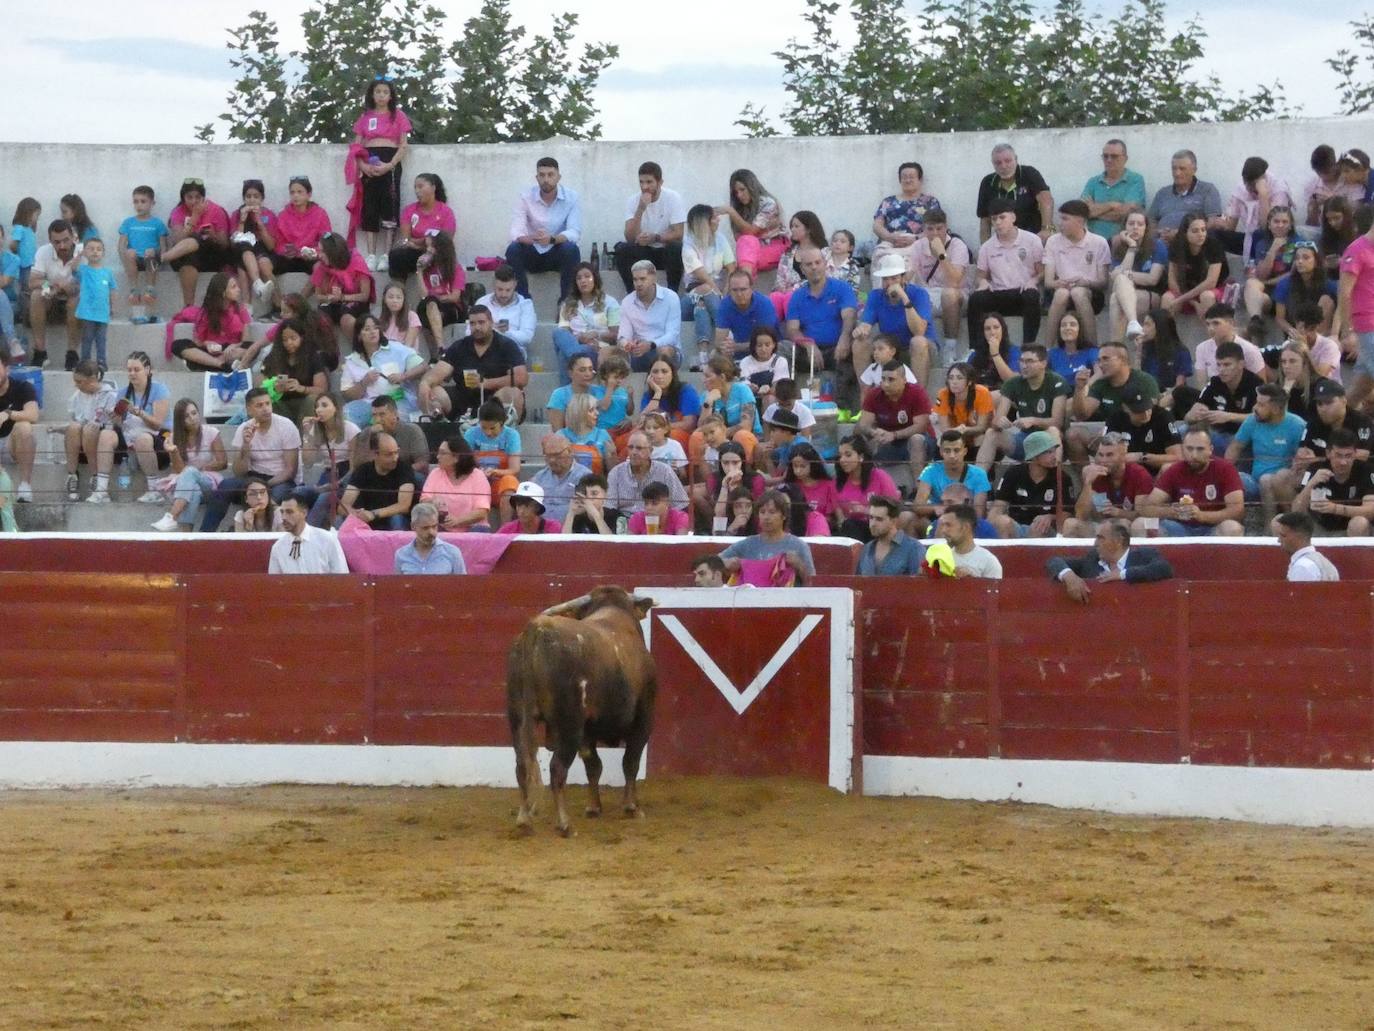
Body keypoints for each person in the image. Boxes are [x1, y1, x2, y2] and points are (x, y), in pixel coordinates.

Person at [199, 387, 302, 531]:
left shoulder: (286, 426)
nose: (265, 409)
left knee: (271, 497)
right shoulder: (244, 429)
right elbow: (238, 471)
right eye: (259, 405)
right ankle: (205, 536)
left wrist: (263, 486)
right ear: (249, 410)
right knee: (225, 486)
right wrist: (246, 445)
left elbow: (291, 470)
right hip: (254, 477)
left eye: (267, 404)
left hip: (281, 480)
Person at [419, 305, 528, 422]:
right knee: (435, 392)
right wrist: (425, 383)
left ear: (491, 322)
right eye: (472, 323)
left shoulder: (507, 345)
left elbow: (521, 378)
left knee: (513, 393)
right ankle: (439, 426)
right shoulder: (459, 346)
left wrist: (486, 383)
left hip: (495, 397)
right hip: (463, 397)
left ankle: (504, 432)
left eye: (481, 322)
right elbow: (437, 373)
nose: (477, 327)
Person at [1134, 427, 1245, 537]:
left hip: (1213, 527)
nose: (1194, 455)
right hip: (1178, 528)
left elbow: (1237, 511)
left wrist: (1201, 516)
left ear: (1211, 449)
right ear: (1183, 449)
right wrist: (1172, 512)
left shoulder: (1225, 469)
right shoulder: (1175, 469)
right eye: (1189, 449)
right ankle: (1150, 555)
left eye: (1200, 449)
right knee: (1140, 524)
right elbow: (1146, 508)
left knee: (1232, 527)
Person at [967, 199, 1044, 359]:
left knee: (1032, 295)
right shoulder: (987, 246)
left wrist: (1033, 281)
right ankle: (974, 349)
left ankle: (1028, 347)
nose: (998, 223)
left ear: (1013, 217)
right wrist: (983, 282)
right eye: (994, 219)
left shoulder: (1032, 240)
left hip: (1022, 292)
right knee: (975, 299)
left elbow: (1042, 271)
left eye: (1002, 217)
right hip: (999, 293)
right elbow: (980, 275)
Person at [351, 76, 411, 270]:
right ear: (372, 94)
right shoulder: (365, 117)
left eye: (385, 92)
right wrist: (362, 165)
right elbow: (356, 145)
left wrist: (390, 164)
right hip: (370, 161)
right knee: (370, 206)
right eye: (378, 92)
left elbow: (403, 145)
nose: (381, 96)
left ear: (391, 95)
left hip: (389, 161)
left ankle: (386, 254)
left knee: (390, 205)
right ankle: (370, 254)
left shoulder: (398, 116)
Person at [506, 156, 582, 303]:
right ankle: (523, 301)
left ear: (558, 177)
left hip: (556, 251)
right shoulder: (525, 197)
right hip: (532, 251)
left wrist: (552, 239)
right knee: (513, 249)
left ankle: (567, 303)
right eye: (542, 175)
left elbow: (574, 232)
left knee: (571, 249)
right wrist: (534, 238)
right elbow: (516, 232)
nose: (546, 179)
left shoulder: (572, 197)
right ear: (536, 177)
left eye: (550, 175)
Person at [976, 344, 1066, 469]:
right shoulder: (1013, 383)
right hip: (1025, 440)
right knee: (992, 434)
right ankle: (976, 482)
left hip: (1049, 440)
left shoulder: (1056, 382)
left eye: (1029, 361)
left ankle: (1058, 481)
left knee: (1053, 431)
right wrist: (999, 423)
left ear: (1043, 363)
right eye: (1022, 361)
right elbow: (996, 421)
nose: (1024, 366)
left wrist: (1033, 420)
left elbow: (1057, 422)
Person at [1226, 383, 1306, 521]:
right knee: (1240, 479)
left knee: (1268, 480)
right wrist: (1226, 472)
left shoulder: (1297, 425)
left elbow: (1301, 461)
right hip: (1254, 482)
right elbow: (1235, 447)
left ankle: (1275, 524)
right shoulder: (1252, 420)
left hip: (1285, 480)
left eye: (1261, 405)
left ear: (1275, 409)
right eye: (1257, 403)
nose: (1255, 408)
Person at [1068, 342, 1159, 462]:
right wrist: (1079, 388)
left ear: (1123, 360)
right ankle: (1089, 477)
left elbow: (1148, 415)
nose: (1100, 365)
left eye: (1105, 359)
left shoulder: (1144, 380)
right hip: (1109, 433)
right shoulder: (1100, 384)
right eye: (1099, 360)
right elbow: (1082, 414)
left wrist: (1113, 434)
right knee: (1073, 435)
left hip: (1140, 434)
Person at [1047, 520, 1173, 603]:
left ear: (1119, 541)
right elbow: (1054, 561)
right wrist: (1069, 576)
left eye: (1101, 538)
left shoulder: (1143, 555)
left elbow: (1164, 568)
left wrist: (1122, 574)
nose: (1095, 543)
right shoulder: (1092, 559)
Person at [855, 253, 933, 385]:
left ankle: (919, 398)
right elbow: (866, 325)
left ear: (903, 278)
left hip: (919, 348)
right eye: (885, 279)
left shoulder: (919, 294)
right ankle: (866, 396)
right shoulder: (876, 296)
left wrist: (904, 299)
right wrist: (861, 330)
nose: (889, 283)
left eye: (894, 278)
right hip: (890, 349)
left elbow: (919, 331)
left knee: (918, 342)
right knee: (859, 343)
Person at [151, 398, 228, 531]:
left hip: (209, 482)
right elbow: (179, 470)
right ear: (180, 420)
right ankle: (186, 537)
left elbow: (223, 463)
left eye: (194, 413)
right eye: (186, 416)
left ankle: (172, 517)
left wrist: (199, 470)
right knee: (194, 491)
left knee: (191, 472)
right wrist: (174, 451)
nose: (192, 418)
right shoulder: (175, 437)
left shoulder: (211, 432)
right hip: (188, 485)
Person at [785, 246, 859, 384]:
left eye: (817, 262)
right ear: (802, 269)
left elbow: (849, 316)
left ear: (825, 264)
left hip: (837, 349)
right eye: (809, 264)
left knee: (856, 348)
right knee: (782, 348)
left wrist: (845, 338)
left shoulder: (842, 288)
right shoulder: (797, 296)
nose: (814, 267)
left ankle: (842, 404)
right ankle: (786, 399)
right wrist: (808, 344)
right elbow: (792, 329)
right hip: (808, 353)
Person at [1043, 199, 1111, 347]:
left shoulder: (1099, 242)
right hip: (1060, 291)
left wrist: (1085, 282)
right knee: (1062, 293)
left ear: (1080, 221)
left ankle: (1093, 347)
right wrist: (1058, 283)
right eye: (1060, 218)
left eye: (1065, 219)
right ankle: (1047, 349)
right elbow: (1048, 282)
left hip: (1091, 293)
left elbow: (1103, 282)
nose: (1060, 223)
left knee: (1078, 292)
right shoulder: (1053, 241)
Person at [1063, 431, 1155, 537]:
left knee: (1122, 524)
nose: (1103, 460)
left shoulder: (1139, 474)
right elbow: (1080, 515)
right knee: (1070, 524)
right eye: (1101, 455)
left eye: (1109, 455)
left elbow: (1143, 514)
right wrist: (1088, 484)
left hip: (1130, 526)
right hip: (1104, 525)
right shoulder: (1097, 474)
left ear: (1123, 455)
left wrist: (1118, 513)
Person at [908, 210, 971, 361]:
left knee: (948, 293)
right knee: (910, 298)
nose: (935, 233)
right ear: (924, 230)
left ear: (946, 227)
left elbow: (955, 281)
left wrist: (941, 254)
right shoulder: (918, 246)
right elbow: (910, 273)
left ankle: (950, 348)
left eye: (939, 228)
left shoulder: (958, 245)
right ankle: (923, 350)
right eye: (930, 229)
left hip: (957, 295)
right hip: (929, 293)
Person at [340, 314, 425, 425]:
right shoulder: (352, 361)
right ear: (359, 335)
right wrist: (364, 383)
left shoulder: (395, 348)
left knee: (385, 419)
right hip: (368, 404)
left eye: (376, 328)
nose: (373, 332)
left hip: (396, 400)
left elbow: (423, 366)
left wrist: (403, 376)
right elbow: (347, 394)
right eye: (367, 329)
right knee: (343, 417)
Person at [679, 204, 736, 368]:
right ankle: (728, 335)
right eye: (713, 218)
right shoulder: (689, 244)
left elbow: (731, 267)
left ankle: (703, 356)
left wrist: (726, 289)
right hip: (692, 293)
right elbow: (700, 274)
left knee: (702, 307)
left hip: (715, 293)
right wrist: (719, 295)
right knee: (705, 289)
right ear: (703, 222)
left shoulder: (720, 239)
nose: (718, 220)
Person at [616, 161, 686, 293]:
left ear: (660, 182)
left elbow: (679, 233)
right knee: (623, 249)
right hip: (644, 252)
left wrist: (656, 237)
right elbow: (629, 237)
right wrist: (641, 209)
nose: (644, 187)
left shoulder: (673, 198)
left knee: (676, 247)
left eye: (649, 182)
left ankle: (673, 292)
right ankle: (632, 293)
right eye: (641, 182)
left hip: (665, 250)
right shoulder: (633, 200)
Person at [717, 489, 815, 584]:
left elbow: (812, 582)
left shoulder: (799, 546)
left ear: (784, 516)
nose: (766, 517)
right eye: (762, 512)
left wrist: (799, 565)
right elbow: (713, 563)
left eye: (772, 512)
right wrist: (727, 563)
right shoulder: (748, 544)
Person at [990, 430, 1074, 539]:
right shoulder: (1013, 473)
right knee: (1002, 521)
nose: (1054, 456)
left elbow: (1067, 514)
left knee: (1038, 527)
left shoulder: (1062, 477)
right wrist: (995, 521)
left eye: (1054, 451)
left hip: (1046, 530)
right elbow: (997, 508)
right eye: (1048, 452)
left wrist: (1050, 517)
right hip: (1017, 527)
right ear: (1034, 456)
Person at [857, 360, 931, 483]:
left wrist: (894, 435)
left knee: (916, 440)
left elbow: (921, 426)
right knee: (864, 439)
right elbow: (864, 424)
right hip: (888, 441)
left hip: (919, 442)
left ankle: (919, 489)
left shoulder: (917, 393)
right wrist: (874, 432)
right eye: (883, 379)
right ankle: (872, 486)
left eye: (891, 380)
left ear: (904, 380)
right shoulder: (874, 394)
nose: (885, 384)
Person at [161, 179, 231, 308]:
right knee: (189, 258)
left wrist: (213, 236)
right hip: (185, 256)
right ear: (183, 198)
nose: (193, 201)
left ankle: (162, 258)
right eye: (189, 197)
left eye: (197, 197)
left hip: (211, 256)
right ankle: (189, 307)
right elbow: (177, 240)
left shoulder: (216, 210)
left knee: (198, 238)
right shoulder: (178, 212)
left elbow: (225, 244)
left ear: (203, 197)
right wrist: (194, 217)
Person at [1293, 428, 1374, 536]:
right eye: (1338, 455)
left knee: (1359, 523)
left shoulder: (1366, 470)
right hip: (1320, 527)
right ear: (1328, 453)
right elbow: (1296, 510)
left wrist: (1334, 508)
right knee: (1278, 521)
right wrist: (1310, 484)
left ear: (1355, 454)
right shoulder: (1315, 469)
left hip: (1351, 528)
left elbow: (1370, 511)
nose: (1343, 462)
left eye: (1348, 456)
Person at [1332, 203, 1374, 409]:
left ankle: (1336, 423)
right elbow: (1345, 291)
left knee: (1361, 388)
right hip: (1367, 324)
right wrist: (1348, 331)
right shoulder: (1357, 249)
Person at [266, 176, 332, 306]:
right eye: (292, 192)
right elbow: (277, 243)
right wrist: (285, 250)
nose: (295, 196)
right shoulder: (283, 215)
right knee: (264, 263)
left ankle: (298, 303)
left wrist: (314, 252)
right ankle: (279, 303)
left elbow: (327, 241)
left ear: (309, 194)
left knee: (320, 266)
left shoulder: (320, 214)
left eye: (300, 192)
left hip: (309, 257)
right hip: (288, 257)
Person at [172, 273, 257, 372]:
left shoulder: (241, 310)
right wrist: (207, 344)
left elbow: (246, 341)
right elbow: (198, 342)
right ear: (223, 292)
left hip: (232, 351)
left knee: (253, 347)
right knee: (178, 345)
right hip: (211, 351)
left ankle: (205, 365)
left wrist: (234, 345)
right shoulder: (206, 312)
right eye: (234, 287)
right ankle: (220, 365)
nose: (238, 289)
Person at [1188, 340, 1263, 451]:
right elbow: (1189, 417)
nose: (1222, 370)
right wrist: (1194, 415)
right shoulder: (1215, 382)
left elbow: (1261, 417)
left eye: (1227, 364)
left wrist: (1228, 416)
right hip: (1217, 433)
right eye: (1218, 364)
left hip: (1244, 436)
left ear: (1241, 364)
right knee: (1183, 431)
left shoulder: (1256, 384)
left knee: (1213, 441)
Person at [553, 262, 620, 383]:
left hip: (597, 350)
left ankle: (564, 396)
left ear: (595, 278)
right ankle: (576, 356)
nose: (583, 281)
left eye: (587, 276)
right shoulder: (567, 304)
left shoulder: (610, 302)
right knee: (558, 332)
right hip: (577, 345)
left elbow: (616, 335)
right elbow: (565, 334)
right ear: (575, 282)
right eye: (579, 278)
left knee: (564, 355)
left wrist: (596, 334)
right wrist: (580, 339)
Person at [27, 219, 81, 369]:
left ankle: (72, 353)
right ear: (50, 241)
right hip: (51, 293)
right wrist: (50, 285)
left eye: (65, 240)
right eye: (56, 242)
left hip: (75, 295)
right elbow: (32, 282)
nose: (62, 246)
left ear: (73, 237)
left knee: (75, 299)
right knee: (37, 295)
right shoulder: (44, 251)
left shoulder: (83, 252)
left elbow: (88, 284)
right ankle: (40, 351)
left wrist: (69, 287)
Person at [62, 360, 118, 503]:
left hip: (101, 435)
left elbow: (110, 421)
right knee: (73, 427)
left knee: (90, 429)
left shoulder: (110, 394)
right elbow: (76, 419)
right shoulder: (77, 396)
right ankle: (72, 476)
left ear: (92, 379)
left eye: (80, 382)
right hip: (83, 435)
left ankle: (95, 476)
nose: (77, 385)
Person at [1107, 211, 1168, 342]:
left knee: (1118, 290)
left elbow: (1152, 279)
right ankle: (1132, 324)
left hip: (1152, 295)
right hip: (1127, 293)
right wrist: (1132, 247)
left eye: (1140, 224)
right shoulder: (1119, 247)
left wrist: (1127, 274)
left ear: (1146, 228)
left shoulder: (1157, 245)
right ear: (1125, 227)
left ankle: (1115, 345)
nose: (1135, 227)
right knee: (1115, 298)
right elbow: (1115, 276)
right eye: (1131, 224)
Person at [1242, 204, 1298, 344]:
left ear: (1291, 225)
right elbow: (1261, 276)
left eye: (1284, 222)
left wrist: (1267, 283)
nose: (1280, 225)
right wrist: (1273, 249)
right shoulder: (1262, 243)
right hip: (1267, 296)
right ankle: (1256, 321)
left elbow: (1293, 274)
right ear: (1269, 224)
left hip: (1287, 294)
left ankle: (1256, 330)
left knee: (1255, 286)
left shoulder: (1298, 243)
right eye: (1276, 221)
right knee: (1251, 283)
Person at [871, 162, 943, 273]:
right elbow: (877, 225)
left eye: (911, 177)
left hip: (918, 242)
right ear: (900, 180)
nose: (907, 180)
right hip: (891, 242)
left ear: (920, 179)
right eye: (904, 177)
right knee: (883, 261)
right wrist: (890, 237)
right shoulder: (888, 201)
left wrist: (916, 239)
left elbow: (937, 228)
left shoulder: (930, 202)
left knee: (911, 265)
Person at [338, 431, 415, 530]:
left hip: (391, 518)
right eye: (389, 454)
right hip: (366, 519)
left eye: (396, 452)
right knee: (341, 519)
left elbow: (404, 506)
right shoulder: (362, 470)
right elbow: (343, 506)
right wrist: (356, 514)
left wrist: (373, 514)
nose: (395, 458)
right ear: (374, 454)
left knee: (397, 518)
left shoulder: (404, 469)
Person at [307, 232, 375, 345]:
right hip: (333, 302)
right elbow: (318, 296)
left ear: (332, 252)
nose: (319, 254)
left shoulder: (357, 261)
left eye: (322, 251)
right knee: (320, 319)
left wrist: (342, 297)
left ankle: (361, 349)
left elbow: (364, 295)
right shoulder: (322, 266)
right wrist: (330, 298)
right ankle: (329, 352)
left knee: (346, 320)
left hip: (355, 301)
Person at [387, 173, 457, 282]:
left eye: (420, 186)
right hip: (415, 252)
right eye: (415, 187)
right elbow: (406, 239)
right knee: (396, 255)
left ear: (433, 188)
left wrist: (420, 243)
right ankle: (398, 290)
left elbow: (445, 242)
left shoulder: (446, 212)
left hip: (437, 254)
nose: (417, 191)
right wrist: (425, 241)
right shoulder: (409, 210)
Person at [976, 143, 1053, 241]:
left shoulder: (1029, 173)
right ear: (993, 164)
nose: (1003, 166)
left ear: (1016, 159)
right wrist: (984, 246)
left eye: (1008, 161)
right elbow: (985, 218)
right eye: (998, 163)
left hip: (1034, 234)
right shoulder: (987, 182)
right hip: (1003, 238)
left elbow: (1046, 200)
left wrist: (1046, 229)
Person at [717, 169, 786, 277]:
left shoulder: (768, 203)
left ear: (752, 187)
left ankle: (743, 283)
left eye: (742, 189)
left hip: (774, 248)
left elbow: (751, 232)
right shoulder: (739, 207)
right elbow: (738, 238)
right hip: (751, 253)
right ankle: (745, 284)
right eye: (736, 192)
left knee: (747, 242)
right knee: (746, 246)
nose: (739, 195)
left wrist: (731, 212)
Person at [1217, 157, 1292, 256]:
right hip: (1250, 239)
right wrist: (1219, 223)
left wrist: (1263, 195)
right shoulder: (1241, 189)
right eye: (1246, 184)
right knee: (1212, 235)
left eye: (1252, 185)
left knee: (1259, 235)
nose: (1249, 189)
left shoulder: (1279, 190)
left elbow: (1267, 228)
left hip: (1274, 240)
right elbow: (1231, 227)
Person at [259, 317, 328, 427]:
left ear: (302, 337)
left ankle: (305, 438)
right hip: (282, 404)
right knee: (267, 403)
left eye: (293, 338)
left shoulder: (313, 357)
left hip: (304, 402)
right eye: (285, 340)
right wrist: (274, 389)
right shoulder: (273, 358)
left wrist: (301, 388)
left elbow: (321, 390)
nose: (289, 343)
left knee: (312, 399)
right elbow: (260, 386)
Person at [464, 398, 522, 524]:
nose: (488, 432)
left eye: (492, 428)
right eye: (483, 427)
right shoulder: (470, 434)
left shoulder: (511, 435)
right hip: (476, 481)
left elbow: (515, 469)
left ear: (502, 423)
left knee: (510, 481)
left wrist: (495, 472)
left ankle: (505, 528)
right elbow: (463, 462)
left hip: (498, 482)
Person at [618, 259, 682, 371]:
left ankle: (664, 384)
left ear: (654, 278)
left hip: (666, 350)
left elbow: (673, 335)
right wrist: (627, 344)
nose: (638, 284)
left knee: (664, 351)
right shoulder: (627, 302)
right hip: (639, 352)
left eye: (642, 279)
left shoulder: (671, 297)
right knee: (611, 352)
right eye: (635, 280)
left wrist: (651, 344)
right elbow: (623, 335)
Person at [1145, 149, 1224, 239]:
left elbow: (1213, 223)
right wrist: (1159, 233)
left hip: (1191, 245)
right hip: (1162, 243)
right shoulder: (1162, 193)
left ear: (1194, 170)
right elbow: (1150, 221)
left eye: (1182, 169)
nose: (1177, 173)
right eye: (1174, 168)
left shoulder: (1207, 190)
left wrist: (1180, 234)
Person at [832, 435, 899, 540]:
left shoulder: (879, 476)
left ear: (861, 457)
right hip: (849, 532)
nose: (842, 460)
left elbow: (894, 509)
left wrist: (866, 510)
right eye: (840, 456)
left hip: (877, 529)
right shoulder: (837, 482)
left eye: (848, 455)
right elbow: (839, 518)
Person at [421, 433, 492, 531]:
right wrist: (432, 502)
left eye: (442, 453)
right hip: (442, 527)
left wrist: (458, 521)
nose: (437, 457)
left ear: (456, 458)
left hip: (473, 528)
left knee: (479, 530)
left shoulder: (478, 476)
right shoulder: (435, 473)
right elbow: (423, 502)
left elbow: (481, 512)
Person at [117, 185, 169, 319]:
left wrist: (156, 252)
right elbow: (121, 245)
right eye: (136, 201)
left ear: (152, 203)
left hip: (150, 259)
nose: (139, 205)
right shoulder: (128, 223)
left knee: (151, 256)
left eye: (143, 201)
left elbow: (164, 247)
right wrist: (126, 255)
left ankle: (150, 290)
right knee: (130, 253)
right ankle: (134, 290)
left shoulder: (158, 223)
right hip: (133, 260)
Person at [607, 431, 689, 515]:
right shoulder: (616, 473)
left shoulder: (665, 471)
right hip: (623, 522)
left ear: (650, 450)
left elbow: (681, 506)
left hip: (655, 522)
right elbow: (609, 508)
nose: (634, 452)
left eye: (639, 448)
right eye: (630, 448)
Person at [414, 230, 466, 360]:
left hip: (451, 307)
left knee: (429, 310)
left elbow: (455, 296)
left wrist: (436, 298)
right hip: (431, 306)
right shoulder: (428, 269)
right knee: (427, 306)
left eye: (432, 246)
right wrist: (419, 272)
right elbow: (424, 295)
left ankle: (436, 354)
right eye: (427, 247)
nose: (429, 250)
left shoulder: (455, 267)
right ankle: (440, 351)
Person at [1162, 213, 1228, 316]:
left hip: (1212, 290)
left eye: (1203, 230)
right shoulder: (1176, 245)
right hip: (1185, 291)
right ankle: (1166, 331)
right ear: (1185, 233)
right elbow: (1172, 282)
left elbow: (1211, 282)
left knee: (1206, 296)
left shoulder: (1214, 245)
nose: (1201, 234)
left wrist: (1182, 299)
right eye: (1195, 231)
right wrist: (1193, 303)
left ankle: (1211, 331)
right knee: (1167, 298)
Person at [1103, 389, 1182, 473]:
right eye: (1139, 411)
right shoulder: (1116, 419)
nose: (1146, 414)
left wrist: (1141, 457)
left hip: (1156, 472)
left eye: (1148, 408)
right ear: (1125, 408)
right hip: (1125, 472)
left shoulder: (1162, 416)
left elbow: (1177, 458)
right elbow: (1105, 453)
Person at [1081, 138, 1146, 239]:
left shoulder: (1135, 180)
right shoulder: (1093, 182)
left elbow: (1127, 214)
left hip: (1122, 241)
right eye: (1105, 156)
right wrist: (1112, 205)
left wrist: (1095, 211)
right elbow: (1082, 212)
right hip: (1092, 242)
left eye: (1114, 156)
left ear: (1125, 158)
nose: (1109, 160)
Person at [268, 492, 349, 573]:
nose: (283, 517)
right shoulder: (278, 547)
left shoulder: (327, 540)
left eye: (289, 512)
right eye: (282, 512)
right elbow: (274, 582)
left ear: (304, 513)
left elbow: (342, 576)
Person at [228, 179, 277, 306]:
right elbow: (234, 243)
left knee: (245, 266)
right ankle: (258, 286)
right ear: (244, 198)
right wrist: (242, 222)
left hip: (262, 251)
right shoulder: (237, 214)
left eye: (256, 196)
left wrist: (260, 224)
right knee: (244, 246)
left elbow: (271, 246)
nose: (252, 200)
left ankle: (247, 306)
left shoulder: (268, 215)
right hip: (240, 250)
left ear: (262, 198)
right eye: (248, 196)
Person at [1136, 308, 1194, 413]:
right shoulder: (1146, 349)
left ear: (1160, 326)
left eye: (1147, 325)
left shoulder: (1180, 351)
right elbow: (1136, 378)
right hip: (1149, 394)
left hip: (1169, 395)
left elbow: (1179, 385)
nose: (1143, 329)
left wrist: (1160, 396)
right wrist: (1139, 352)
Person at [1301, 378, 1374, 462]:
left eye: (1329, 402)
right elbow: (1302, 453)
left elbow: (1362, 455)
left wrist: (1319, 459)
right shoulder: (1314, 423)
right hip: (1320, 473)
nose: (1323, 408)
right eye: (1319, 403)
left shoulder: (1361, 421)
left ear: (1344, 401)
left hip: (1357, 472)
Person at [1274, 243, 1337, 338]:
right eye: (1297, 258)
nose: (1300, 261)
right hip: (1297, 328)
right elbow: (1279, 318)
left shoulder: (1327, 283)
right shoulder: (1285, 283)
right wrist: (1290, 330)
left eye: (1306, 258)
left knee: (1326, 300)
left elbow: (1344, 305)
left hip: (1321, 331)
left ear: (1316, 262)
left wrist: (1335, 332)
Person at [1192, 303, 1265, 382]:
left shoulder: (1249, 350)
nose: (1211, 328)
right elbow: (1202, 384)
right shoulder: (1202, 348)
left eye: (1216, 323)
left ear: (1231, 323)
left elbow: (1261, 385)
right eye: (1208, 324)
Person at [531, 433, 591, 526]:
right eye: (548, 456)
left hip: (572, 530)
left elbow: (586, 508)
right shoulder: (539, 477)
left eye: (556, 455)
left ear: (570, 451)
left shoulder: (584, 476)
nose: (552, 460)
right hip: (541, 531)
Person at [714, 269, 779, 356]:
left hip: (766, 352)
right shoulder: (725, 305)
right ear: (729, 290)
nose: (739, 294)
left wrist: (736, 347)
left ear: (751, 289)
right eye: (735, 290)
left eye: (743, 289)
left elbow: (765, 342)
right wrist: (725, 347)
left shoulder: (764, 304)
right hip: (738, 351)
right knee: (714, 354)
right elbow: (719, 341)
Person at [74, 238, 116, 371]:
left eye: (98, 249)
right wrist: (79, 255)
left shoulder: (107, 272)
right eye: (91, 249)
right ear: (85, 252)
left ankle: (101, 361)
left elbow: (113, 290)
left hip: (102, 311)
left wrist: (113, 306)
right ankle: (85, 361)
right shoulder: (83, 270)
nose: (95, 252)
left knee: (101, 339)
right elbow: (72, 267)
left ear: (103, 253)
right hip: (87, 312)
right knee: (87, 338)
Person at [476, 266, 536, 359]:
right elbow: (468, 332)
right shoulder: (482, 302)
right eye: (500, 289)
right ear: (493, 284)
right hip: (484, 349)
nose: (503, 294)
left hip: (511, 351)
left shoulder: (525, 305)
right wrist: (489, 330)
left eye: (508, 290)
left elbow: (527, 337)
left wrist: (506, 332)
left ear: (515, 285)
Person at [931, 361, 993, 450]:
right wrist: (957, 430)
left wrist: (965, 430)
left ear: (970, 382)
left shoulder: (982, 392)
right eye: (951, 378)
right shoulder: (942, 394)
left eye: (959, 378)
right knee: (942, 441)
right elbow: (944, 428)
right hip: (953, 434)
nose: (954, 382)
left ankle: (978, 463)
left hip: (975, 434)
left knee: (980, 438)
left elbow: (982, 427)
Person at [857, 495, 924, 575]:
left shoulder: (913, 548)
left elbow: (919, 584)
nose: (873, 524)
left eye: (879, 519)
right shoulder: (866, 549)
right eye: (871, 518)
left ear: (894, 521)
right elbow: (858, 584)